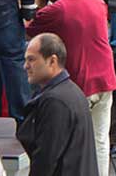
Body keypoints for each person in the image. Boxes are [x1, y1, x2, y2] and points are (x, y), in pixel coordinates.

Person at [24, 0, 116, 176]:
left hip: (79, 84)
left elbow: (29, 30)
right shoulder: (97, 1)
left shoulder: (54, 10)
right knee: (100, 140)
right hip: (105, 78)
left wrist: (39, 4)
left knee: (72, 145)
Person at [17, 33, 97, 176]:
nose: (25, 66)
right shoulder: (70, 91)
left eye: (31, 59)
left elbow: (45, 160)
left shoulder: (55, 101)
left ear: (52, 61)